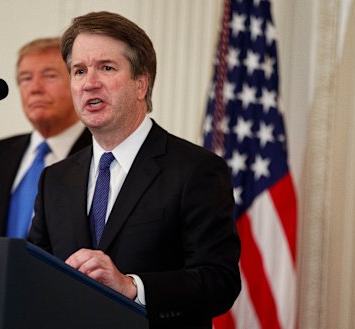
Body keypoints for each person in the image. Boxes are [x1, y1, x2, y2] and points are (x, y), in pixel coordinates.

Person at [28, 12, 241, 328]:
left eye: (107, 68)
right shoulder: (55, 179)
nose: (89, 83)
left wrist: (132, 286)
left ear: (141, 84)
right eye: (79, 71)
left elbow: (219, 282)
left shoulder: (196, 169)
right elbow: (34, 275)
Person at [0, 37, 91, 237]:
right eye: (26, 78)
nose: (35, 88)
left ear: (77, 83)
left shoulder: (101, 155)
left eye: (50, 76)